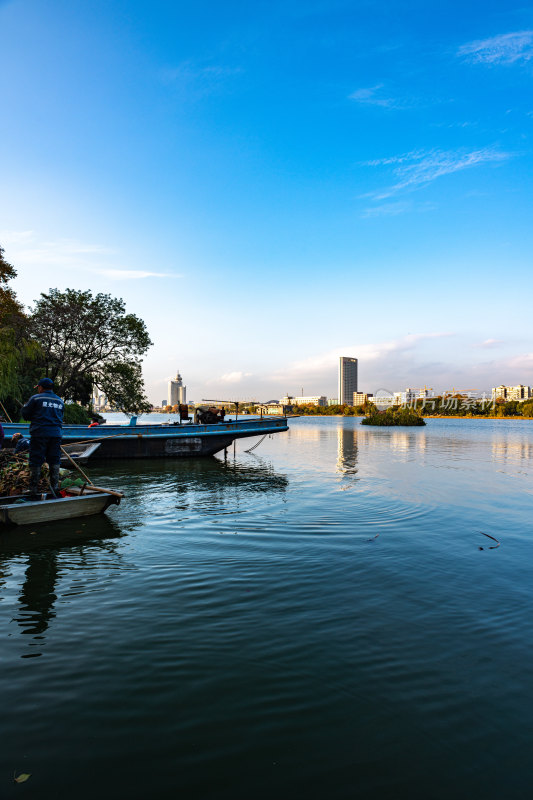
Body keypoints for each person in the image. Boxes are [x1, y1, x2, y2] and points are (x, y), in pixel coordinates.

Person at [21, 378, 64, 496]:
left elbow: (25, 414)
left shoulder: (36, 398)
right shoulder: (60, 401)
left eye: (38, 387)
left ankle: (33, 489)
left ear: (41, 387)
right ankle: (55, 487)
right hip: (56, 434)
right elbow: (60, 417)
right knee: (54, 459)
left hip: (40, 434)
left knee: (36, 459)